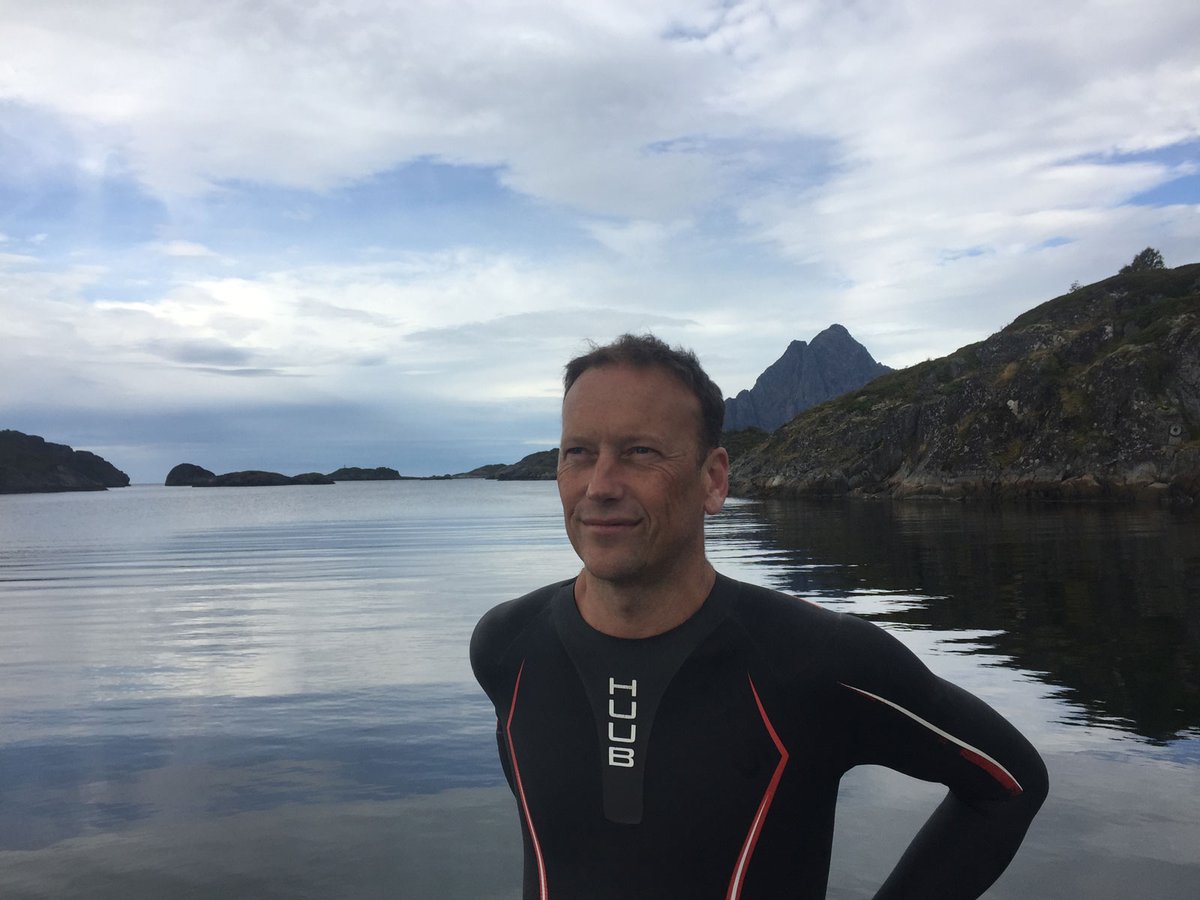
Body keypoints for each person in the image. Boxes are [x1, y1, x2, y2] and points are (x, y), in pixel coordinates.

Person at [471, 333, 1048, 899]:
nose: (599, 486)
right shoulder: (507, 646)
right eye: (579, 453)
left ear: (713, 480)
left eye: (639, 452)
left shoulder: (814, 661)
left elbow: (1011, 784)